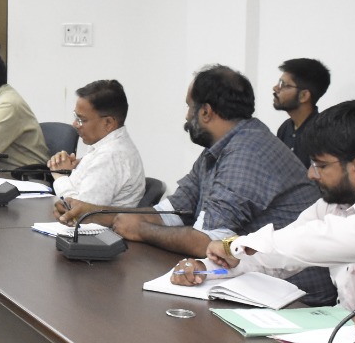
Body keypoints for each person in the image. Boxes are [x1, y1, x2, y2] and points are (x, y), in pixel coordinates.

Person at [172, 100, 355, 307]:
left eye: (320, 165)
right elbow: (280, 257)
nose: (311, 174)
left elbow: (311, 241)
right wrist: (206, 270)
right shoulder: (338, 202)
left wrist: (233, 245)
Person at [107, 65, 315, 259]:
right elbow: (174, 211)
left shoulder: (247, 153)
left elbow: (207, 243)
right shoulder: (221, 146)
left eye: (190, 107)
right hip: (253, 272)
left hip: (288, 283)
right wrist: (106, 216)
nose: (187, 116)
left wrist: (141, 229)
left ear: (206, 112)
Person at [49, 79, 146, 223]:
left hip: (94, 234)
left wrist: (60, 175)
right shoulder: (107, 146)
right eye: (75, 116)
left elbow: (77, 214)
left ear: (108, 123)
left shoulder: (111, 156)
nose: (75, 125)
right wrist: (75, 168)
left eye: (81, 119)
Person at [273, 57, 330, 168]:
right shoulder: (285, 128)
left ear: (304, 96)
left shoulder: (322, 134)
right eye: (279, 83)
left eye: (284, 85)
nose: (275, 88)